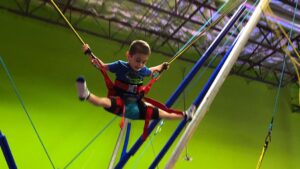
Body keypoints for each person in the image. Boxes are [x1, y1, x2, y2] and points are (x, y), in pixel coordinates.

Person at [76, 40, 195, 122]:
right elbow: (102, 66)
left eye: (144, 62)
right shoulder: (120, 65)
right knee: (103, 102)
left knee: (163, 113)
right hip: (120, 100)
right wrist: (89, 53)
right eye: (138, 60)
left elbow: (152, 70)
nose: (140, 65)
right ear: (129, 56)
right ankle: (85, 95)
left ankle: (185, 115)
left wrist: (162, 66)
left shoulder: (143, 70)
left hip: (137, 105)